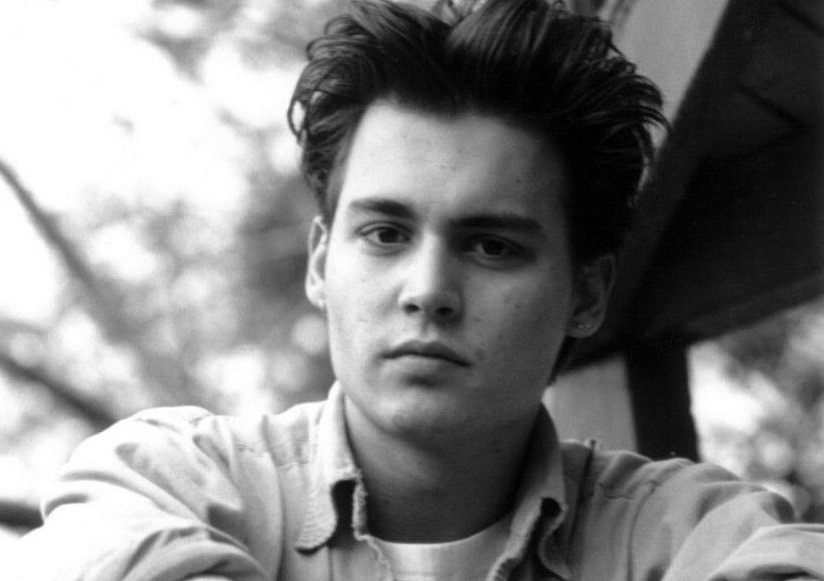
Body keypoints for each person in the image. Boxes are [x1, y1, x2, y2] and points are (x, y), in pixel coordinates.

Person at [13, 0, 824, 579]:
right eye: (385, 234)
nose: (429, 290)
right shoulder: (171, 480)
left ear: (586, 293)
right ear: (321, 260)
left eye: (492, 245)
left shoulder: (685, 531)